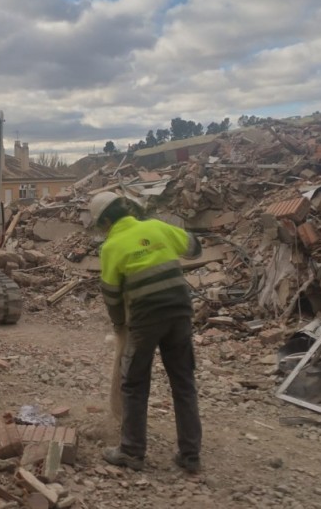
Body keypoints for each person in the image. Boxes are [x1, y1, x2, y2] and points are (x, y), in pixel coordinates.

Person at [88, 192, 204, 474]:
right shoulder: (155, 227)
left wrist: (119, 326)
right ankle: (190, 456)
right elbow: (195, 248)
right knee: (183, 383)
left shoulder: (111, 247)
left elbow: (112, 296)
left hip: (145, 318)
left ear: (104, 221)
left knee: (135, 383)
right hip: (180, 312)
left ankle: (131, 451)